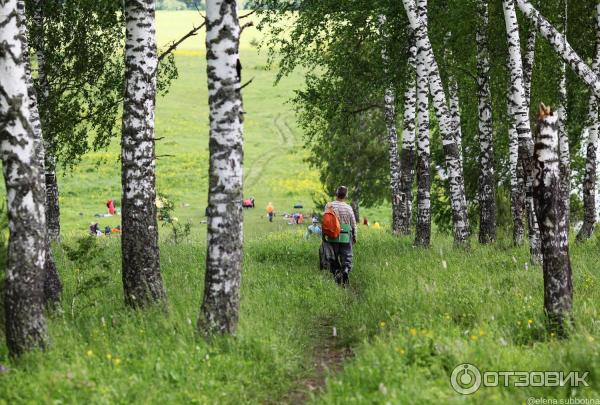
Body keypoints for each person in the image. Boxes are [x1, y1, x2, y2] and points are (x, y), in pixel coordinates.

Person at [323, 186, 356, 286]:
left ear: (336, 194)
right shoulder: (348, 208)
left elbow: (325, 221)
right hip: (346, 236)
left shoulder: (329, 206)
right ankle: (345, 270)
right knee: (347, 257)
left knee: (333, 257)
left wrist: (324, 235)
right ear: (346, 195)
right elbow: (353, 224)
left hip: (332, 235)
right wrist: (355, 236)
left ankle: (337, 274)